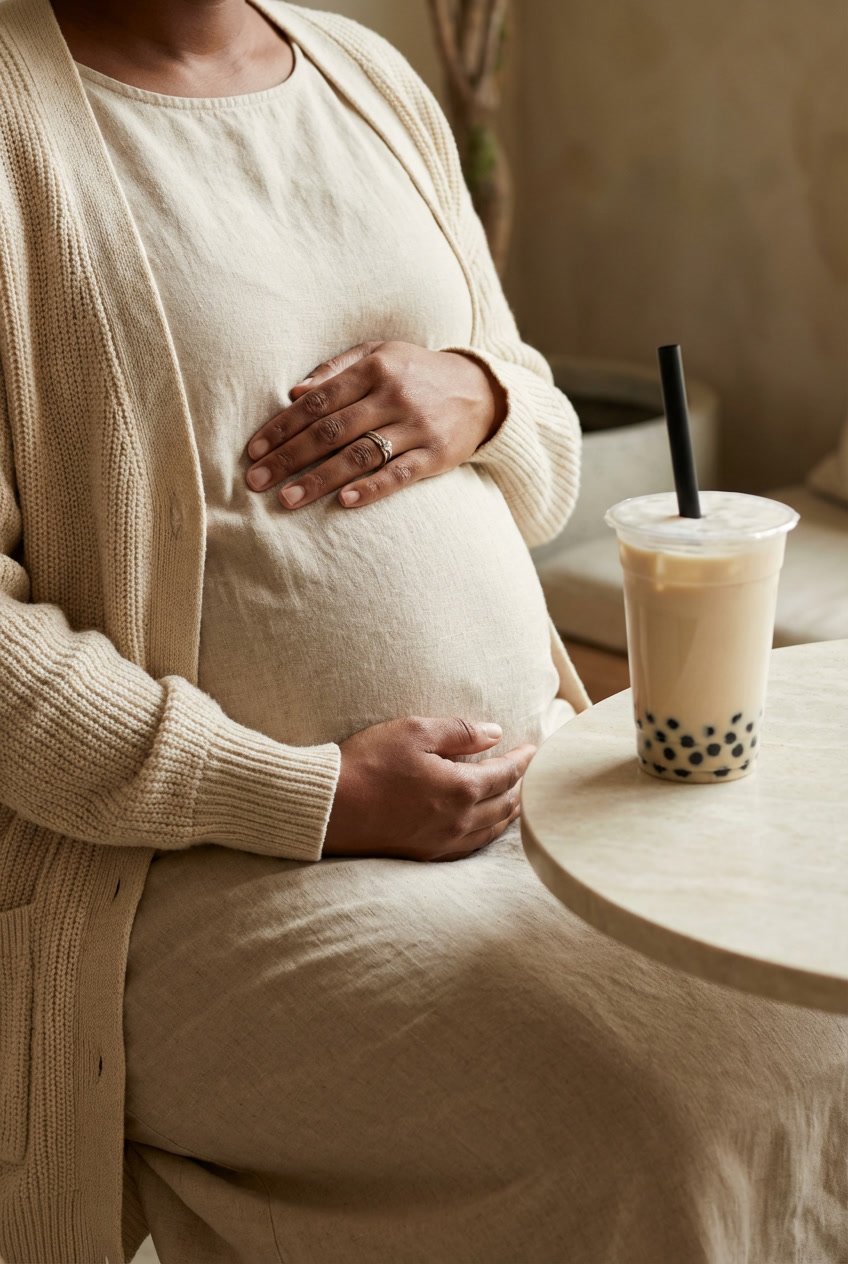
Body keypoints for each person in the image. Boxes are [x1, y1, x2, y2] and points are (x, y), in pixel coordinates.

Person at [0, 1, 844, 1261]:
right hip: (202, 875)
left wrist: (483, 392)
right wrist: (311, 796)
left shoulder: (366, 79)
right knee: (651, 1114)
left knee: (810, 1033)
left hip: (554, 796)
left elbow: (546, 453)